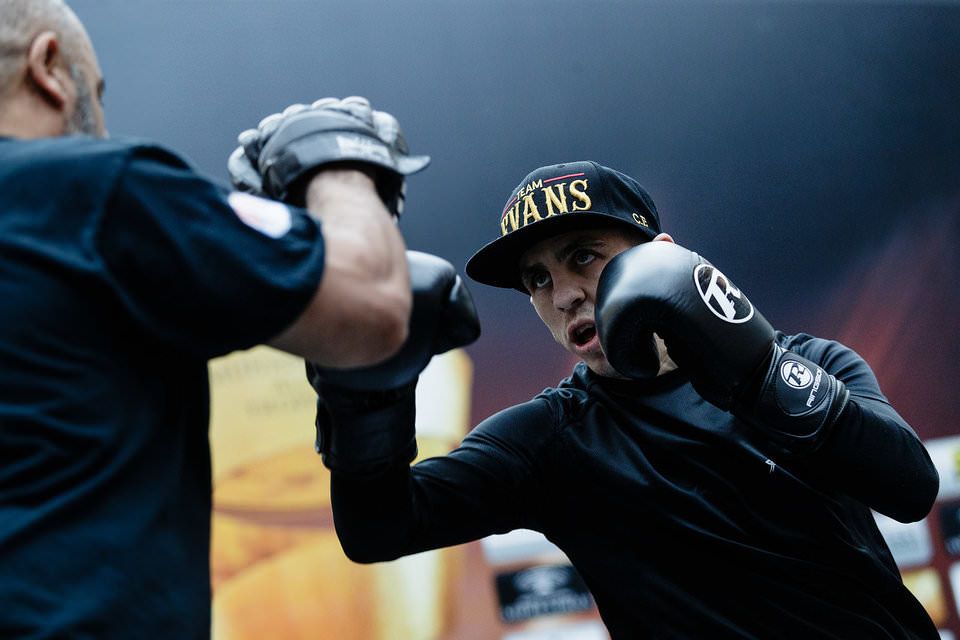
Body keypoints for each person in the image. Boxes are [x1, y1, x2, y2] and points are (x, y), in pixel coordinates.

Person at [0, 0, 479, 637]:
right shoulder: (94, 188)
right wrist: (338, 158)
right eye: (97, 93)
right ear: (49, 67)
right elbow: (372, 303)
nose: (102, 124)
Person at [309, 160, 941, 638]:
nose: (563, 295)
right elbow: (378, 529)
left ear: (661, 259)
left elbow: (910, 488)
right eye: (538, 279)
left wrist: (757, 374)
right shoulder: (550, 439)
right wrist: (363, 393)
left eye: (584, 257)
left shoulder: (810, 363)